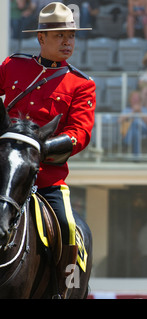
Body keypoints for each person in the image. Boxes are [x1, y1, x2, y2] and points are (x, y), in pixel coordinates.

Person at [0, 2, 95, 298]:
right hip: (5, 171)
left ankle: (64, 291)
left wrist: (41, 149)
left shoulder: (81, 84)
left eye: (71, 36)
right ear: (41, 38)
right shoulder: (11, 66)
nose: (68, 42)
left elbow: (80, 134)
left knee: (68, 228)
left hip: (46, 176)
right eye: (60, 35)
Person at [120, 91, 147, 158]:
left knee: (134, 124)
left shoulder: (144, 109)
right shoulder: (126, 110)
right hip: (133, 131)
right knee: (135, 132)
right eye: (134, 98)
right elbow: (119, 120)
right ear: (130, 100)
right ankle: (136, 156)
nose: (136, 100)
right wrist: (132, 112)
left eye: (137, 98)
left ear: (140, 100)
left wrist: (140, 112)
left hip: (143, 130)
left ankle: (126, 142)